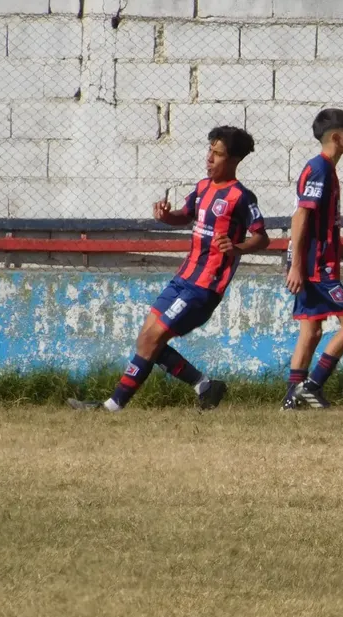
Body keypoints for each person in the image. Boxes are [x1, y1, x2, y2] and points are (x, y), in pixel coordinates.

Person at [69, 127, 267, 412]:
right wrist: (165, 215)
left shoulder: (241, 197)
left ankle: (111, 406)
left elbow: (262, 237)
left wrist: (237, 248)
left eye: (218, 154)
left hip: (205, 287)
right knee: (146, 339)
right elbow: (184, 216)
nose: (209, 158)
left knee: (151, 340)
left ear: (234, 160)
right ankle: (205, 386)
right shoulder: (202, 187)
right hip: (183, 277)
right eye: (209, 150)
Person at [283, 109, 343, 410]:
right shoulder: (319, 169)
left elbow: (325, 226)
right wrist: (297, 265)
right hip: (316, 268)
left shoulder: (326, 170)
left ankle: (290, 400)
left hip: (317, 264)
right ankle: (312, 385)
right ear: (336, 137)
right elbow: (301, 216)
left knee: (312, 331)